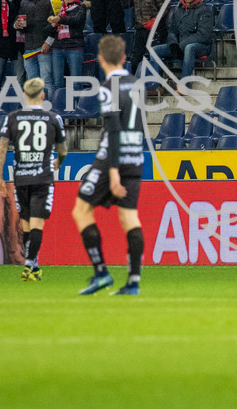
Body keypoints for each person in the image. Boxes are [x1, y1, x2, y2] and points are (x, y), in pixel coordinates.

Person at [73, 35, 145, 296]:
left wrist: (112, 172)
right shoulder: (137, 84)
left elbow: (113, 129)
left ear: (100, 59)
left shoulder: (107, 87)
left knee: (81, 211)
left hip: (111, 159)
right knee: (129, 218)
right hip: (136, 156)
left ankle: (101, 271)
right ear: (124, 58)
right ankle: (133, 282)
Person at [0, 77, 67, 281]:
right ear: (43, 95)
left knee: (26, 224)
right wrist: (59, 162)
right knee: (36, 224)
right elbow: (63, 149)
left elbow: (2, 147)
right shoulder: (53, 118)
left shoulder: (13, 118)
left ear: (25, 96)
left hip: (21, 177)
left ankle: (34, 267)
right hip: (42, 177)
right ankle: (28, 265)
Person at [153, 0, 214, 85]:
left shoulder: (204, 10)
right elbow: (172, 30)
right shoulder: (178, 10)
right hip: (180, 44)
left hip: (202, 46)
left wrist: (181, 45)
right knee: (155, 51)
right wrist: (173, 44)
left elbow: (204, 35)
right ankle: (156, 85)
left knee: (189, 47)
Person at [17, 0, 58, 95]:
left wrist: (48, 42)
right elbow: (19, 18)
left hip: (44, 47)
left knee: (46, 80)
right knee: (32, 82)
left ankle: (48, 108)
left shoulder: (51, 0)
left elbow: (56, 24)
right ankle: (34, 107)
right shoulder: (24, 2)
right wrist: (17, 24)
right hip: (28, 47)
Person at [123, 0, 168, 75]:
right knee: (135, 58)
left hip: (154, 30)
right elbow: (127, 4)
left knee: (154, 57)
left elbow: (164, 9)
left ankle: (158, 82)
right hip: (140, 29)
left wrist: (155, 21)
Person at [48, 0, 88, 88]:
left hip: (74, 46)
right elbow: (51, 30)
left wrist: (59, 20)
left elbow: (76, 20)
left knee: (76, 81)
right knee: (57, 81)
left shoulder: (80, 8)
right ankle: (59, 103)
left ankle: (76, 103)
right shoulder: (57, 10)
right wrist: (52, 25)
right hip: (58, 47)